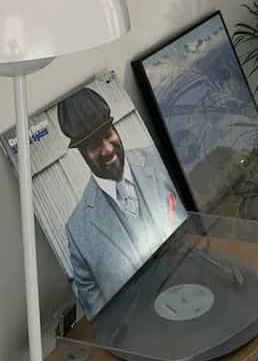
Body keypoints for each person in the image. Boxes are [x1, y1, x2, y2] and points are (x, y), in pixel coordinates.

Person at [57, 87, 185, 318]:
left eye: (108, 134)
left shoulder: (157, 160)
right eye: (93, 145)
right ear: (82, 154)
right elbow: (98, 313)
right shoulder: (77, 230)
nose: (106, 149)